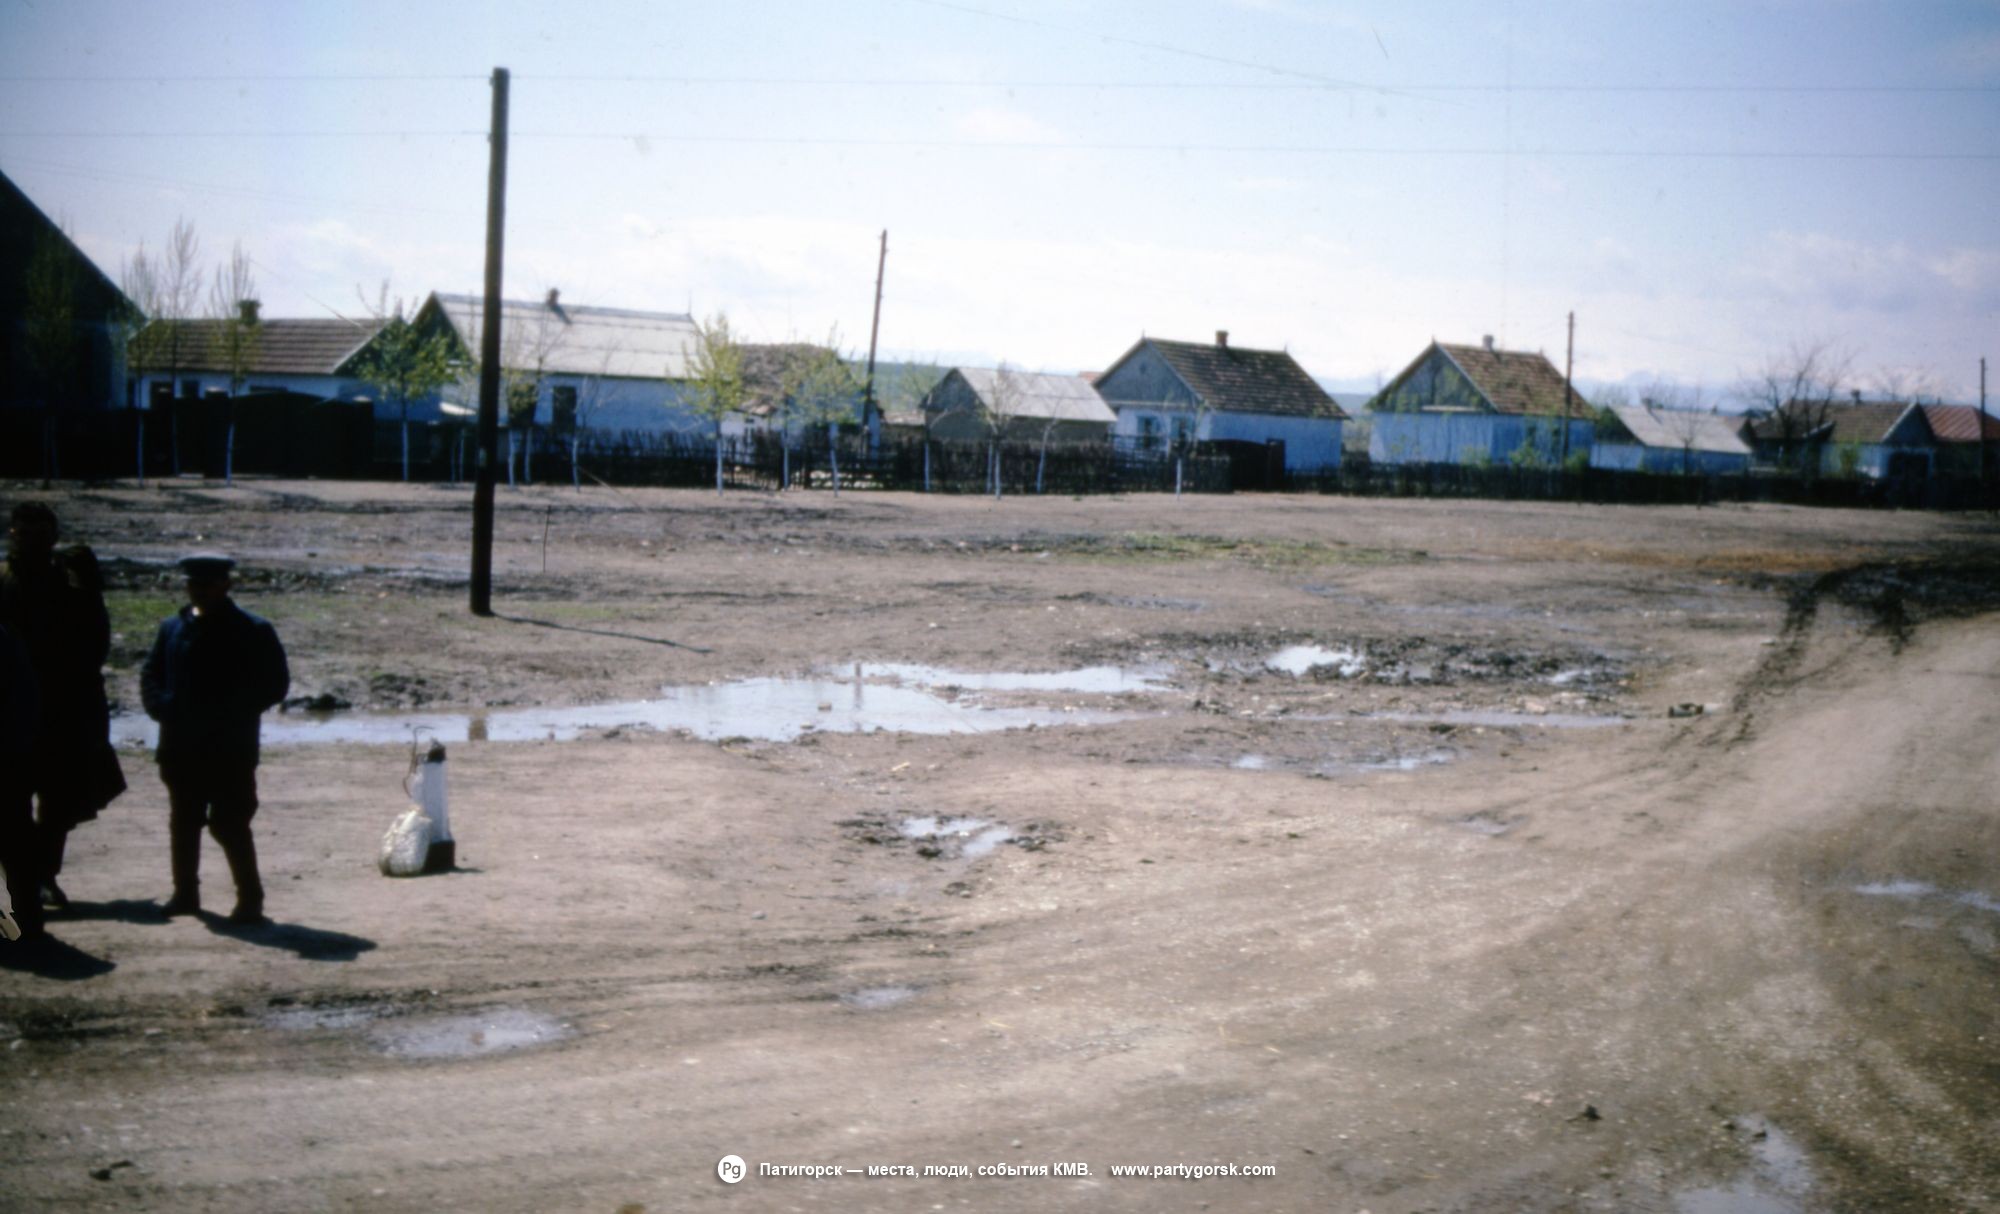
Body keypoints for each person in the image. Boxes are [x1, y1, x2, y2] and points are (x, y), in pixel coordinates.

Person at [140, 553, 290, 926]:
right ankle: (185, 893)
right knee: (184, 821)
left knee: (230, 822)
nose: (199, 591)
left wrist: (232, 712)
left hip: (230, 748)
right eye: (193, 584)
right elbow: (151, 674)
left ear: (227, 585)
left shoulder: (253, 630)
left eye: (207, 585)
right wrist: (162, 707)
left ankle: (250, 898)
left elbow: (275, 684)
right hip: (180, 745)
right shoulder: (172, 628)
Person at [0, 502, 126, 912]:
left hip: (62, 708)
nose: (33, 541)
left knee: (59, 803)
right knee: (12, 803)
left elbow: (96, 639)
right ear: (12, 535)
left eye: (41, 533)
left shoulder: (72, 582)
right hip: (10, 709)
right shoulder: (1, 581)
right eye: (24, 533)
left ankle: (42, 875)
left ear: (54, 537)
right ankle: (25, 884)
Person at [1, 619, 45, 942]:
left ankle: (27, 919)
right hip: (12, 759)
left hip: (7, 761)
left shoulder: (5, 640)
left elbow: (23, 702)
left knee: (15, 844)